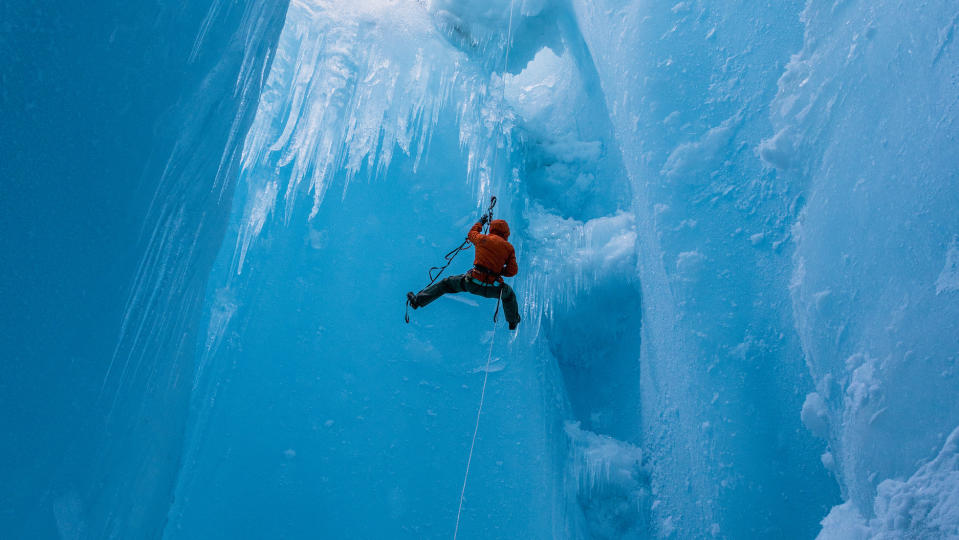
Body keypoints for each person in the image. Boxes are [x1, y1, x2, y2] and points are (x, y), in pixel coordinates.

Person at [407, 216, 521, 330]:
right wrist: (497, 271)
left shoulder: (482, 239)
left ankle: (418, 301)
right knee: (509, 295)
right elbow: (512, 271)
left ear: (492, 229)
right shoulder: (509, 248)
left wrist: (481, 222)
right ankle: (513, 321)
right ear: (506, 233)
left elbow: (471, 233)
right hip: (493, 288)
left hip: (472, 283)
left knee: (446, 284)